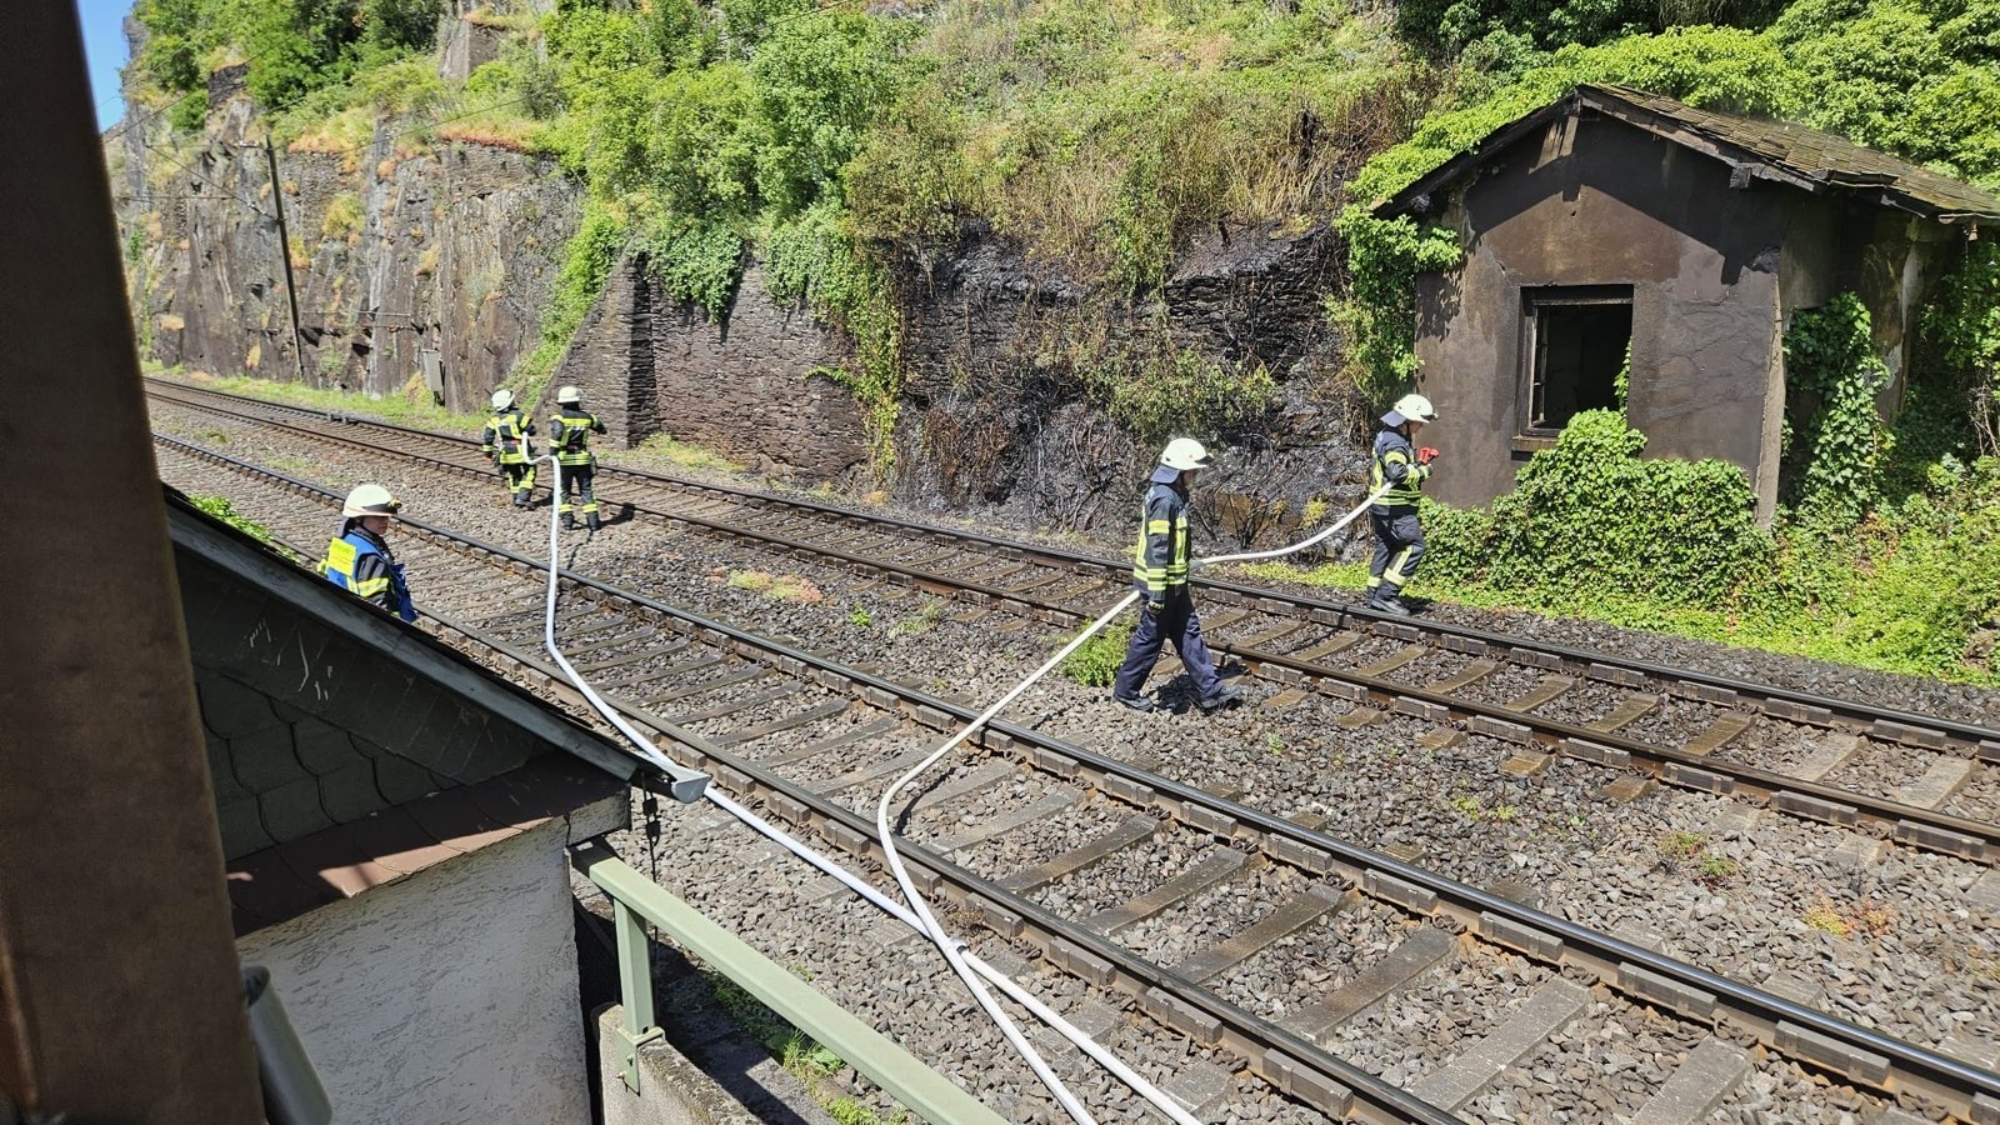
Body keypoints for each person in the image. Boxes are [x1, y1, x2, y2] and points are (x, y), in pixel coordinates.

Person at [1110, 438, 1243, 714]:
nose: (1195, 476)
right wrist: (1157, 595)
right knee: (1150, 639)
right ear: (1179, 471)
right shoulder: (1163, 499)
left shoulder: (1174, 495)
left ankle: (1211, 691)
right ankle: (1125, 692)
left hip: (1175, 584)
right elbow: (1158, 549)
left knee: (1188, 633)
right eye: (1192, 471)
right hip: (1161, 586)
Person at [1366, 392, 1440, 617]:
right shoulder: (1395, 442)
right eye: (1419, 423)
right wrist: (1424, 471)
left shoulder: (1387, 436)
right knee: (1413, 547)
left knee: (1386, 546)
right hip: (1395, 508)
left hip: (1382, 505)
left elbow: (1396, 467)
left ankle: (1374, 594)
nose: (1420, 428)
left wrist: (1417, 463)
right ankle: (1386, 596)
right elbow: (1396, 473)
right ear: (1407, 421)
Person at [318, 483, 416, 622]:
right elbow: (377, 603)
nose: (384, 522)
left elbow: (324, 572)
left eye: (386, 517)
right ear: (358, 518)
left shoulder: (343, 541)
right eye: (377, 517)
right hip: (361, 621)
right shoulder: (371, 556)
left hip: (338, 610)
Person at [548, 385, 607, 531]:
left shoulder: (559, 418)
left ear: (561, 403)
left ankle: (568, 522)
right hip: (583, 459)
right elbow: (602, 429)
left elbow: (557, 434)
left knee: (564, 490)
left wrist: (552, 452)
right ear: (577, 401)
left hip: (564, 459)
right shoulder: (587, 417)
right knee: (586, 490)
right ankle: (593, 523)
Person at [480, 388, 537, 508]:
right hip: (522, 451)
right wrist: (529, 420)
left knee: (514, 475)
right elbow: (532, 431)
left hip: (506, 452)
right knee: (530, 471)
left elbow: (488, 438)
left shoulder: (493, 420)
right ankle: (523, 498)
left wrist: (488, 454)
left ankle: (516, 498)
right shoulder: (518, 416)